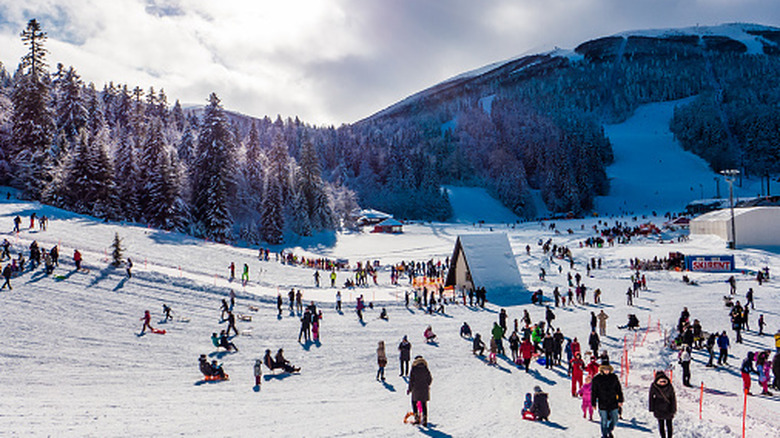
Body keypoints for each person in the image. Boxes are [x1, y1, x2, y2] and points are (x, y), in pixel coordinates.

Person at [591, 358, 623, 438]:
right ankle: (605, 435)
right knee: (604, 420)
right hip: (602, 402)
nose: (606, 370)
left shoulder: (614, 377)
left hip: (613, 401)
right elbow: (594, 392)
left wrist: (620, 399)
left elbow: (618, 389)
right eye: (604, 369)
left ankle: (609, 430)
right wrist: (593, 403)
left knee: (615, 418)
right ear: (601, 369)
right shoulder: (597, 379)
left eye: (608, 369)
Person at [649, 371, 676, 438]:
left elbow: (673, 398)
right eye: (661, 381)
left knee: (669, 424)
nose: (662, 383)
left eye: (663, 381)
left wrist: (673, 408)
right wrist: (651, 407)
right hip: (658, 408)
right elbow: (651, 397)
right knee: (661, 424)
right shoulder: (654, 386)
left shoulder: (669, 386)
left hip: (668, 407)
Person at [407, 355, 432, 426]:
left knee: (414, 402)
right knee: (424, 404)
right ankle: (425, 419)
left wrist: (410, 389)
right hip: (424, 389)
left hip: (416, 389)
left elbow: (411, 380)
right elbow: (430, 379)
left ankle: (417, 418)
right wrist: (427, 385)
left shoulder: (414, 368)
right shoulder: (425, 368)